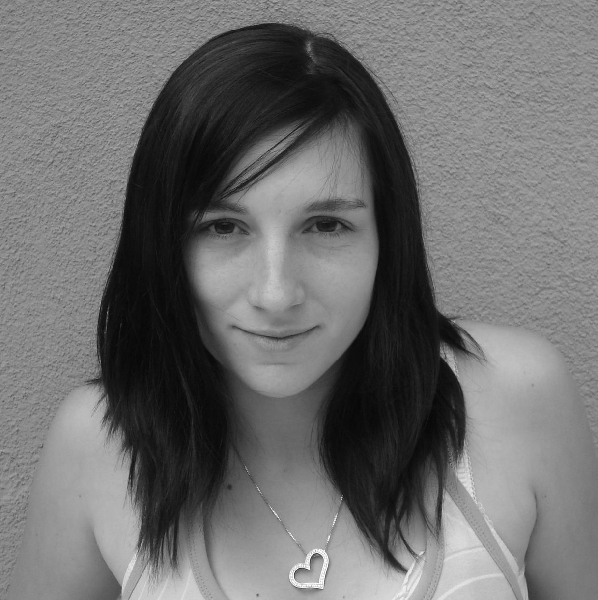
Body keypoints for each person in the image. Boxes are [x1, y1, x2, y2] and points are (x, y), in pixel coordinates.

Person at [8, 22, 598, 600]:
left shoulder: (516, 399)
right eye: (224, 227)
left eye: (326, 225)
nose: (276, 294)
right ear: (162, 243)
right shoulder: (98, 447)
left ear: (387, 239)